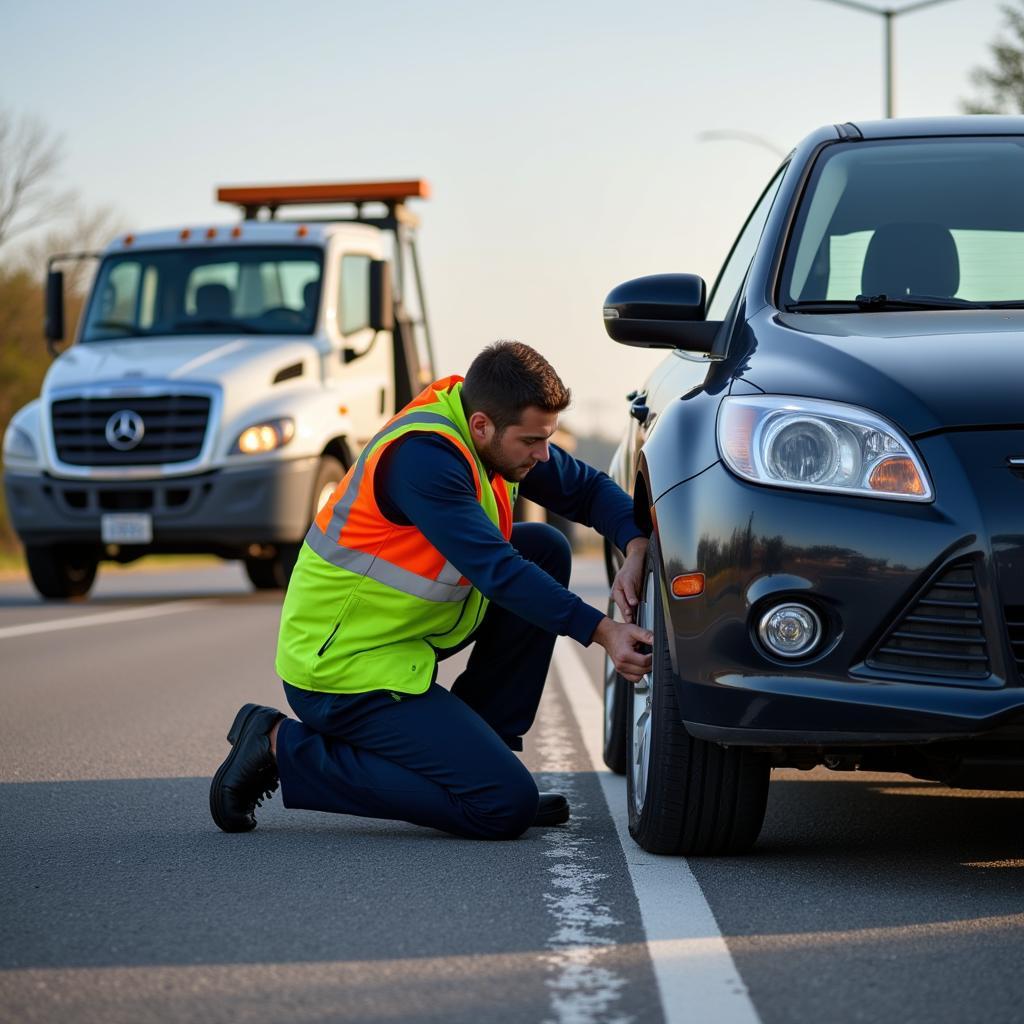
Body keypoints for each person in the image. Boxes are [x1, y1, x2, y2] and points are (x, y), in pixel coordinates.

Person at [209, 341, 653, 840]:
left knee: (544, 547)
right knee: (501, 805)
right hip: (339, 672)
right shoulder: (423, 459)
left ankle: (481, 752)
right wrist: (602, 630)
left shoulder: (494, 433)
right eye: (532, 441)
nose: (543, 454)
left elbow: (589, 491)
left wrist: (634, 543)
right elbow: (497, 570)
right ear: (483, 425)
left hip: (393, 646)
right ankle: (278, 746)